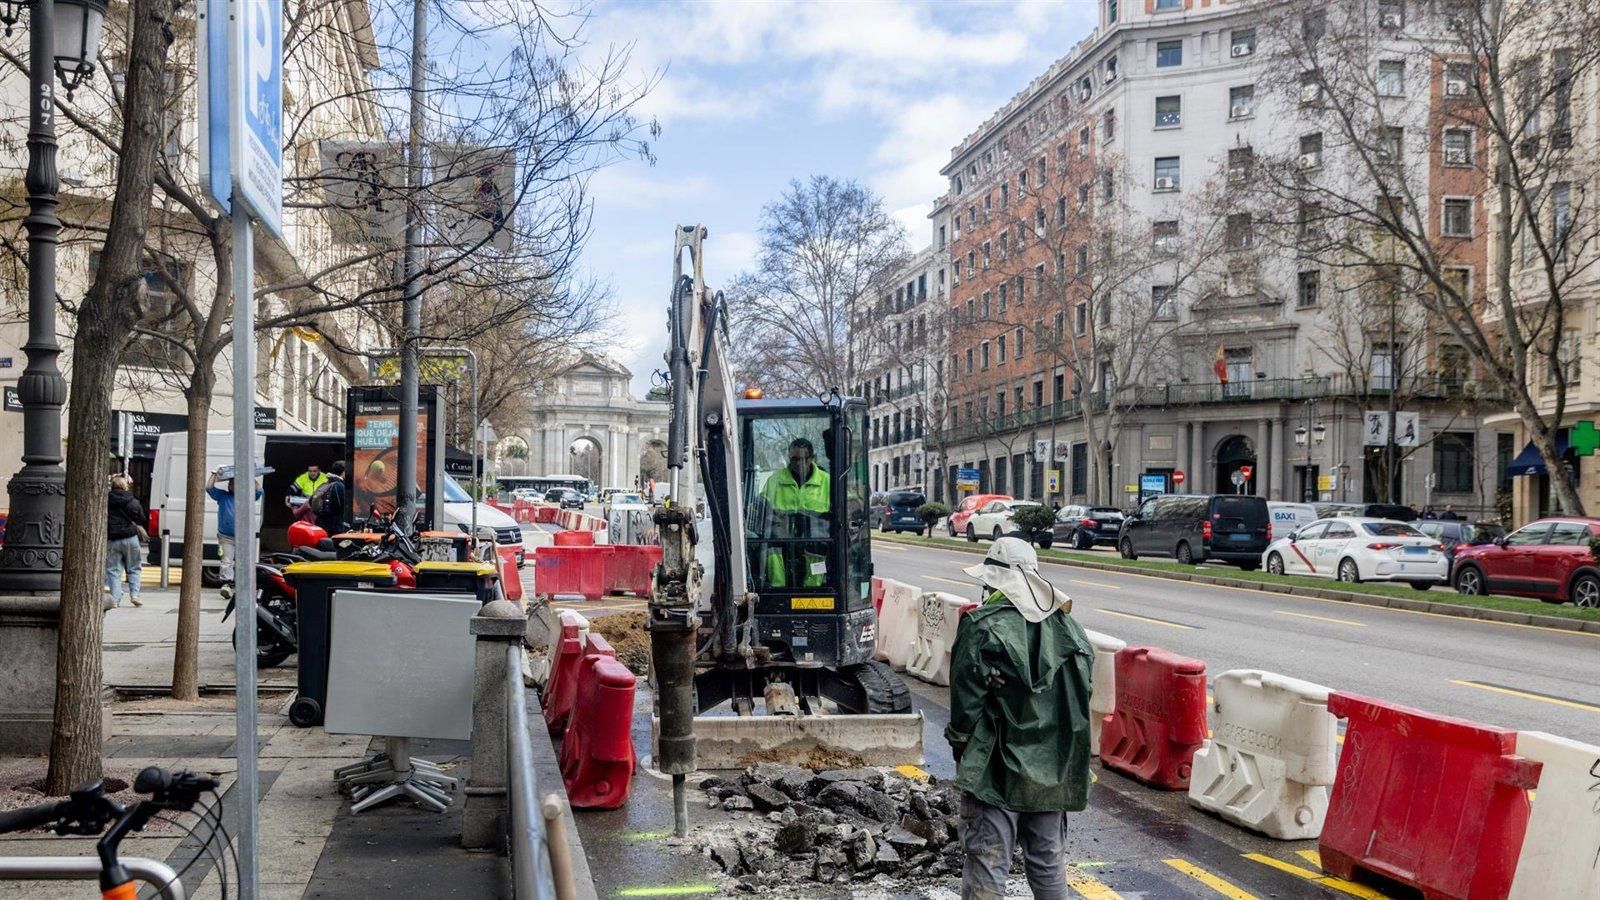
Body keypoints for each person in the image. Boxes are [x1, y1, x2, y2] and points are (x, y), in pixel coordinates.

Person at [947, 537, 1093, 900]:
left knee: (988, 865)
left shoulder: (982, 626)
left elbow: (965, 708)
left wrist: (961, 749)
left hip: (996, 771)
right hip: (1052, 773)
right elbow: (1081, 698)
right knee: (1048, 866)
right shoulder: (1071, 631)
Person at [759, 437, 831, 587]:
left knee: (818, 539)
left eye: (804, 459)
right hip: (783, 538)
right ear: (789, 457)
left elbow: (847, 508)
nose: (799, 463)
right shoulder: (775, 480)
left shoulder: (827, 481)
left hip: (815, 541)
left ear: (813, 458)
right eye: (794, 459)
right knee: (770, 541)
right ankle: (778, 587)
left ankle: (814, 586)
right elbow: (761, 508)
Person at [206, 469, 260, 585]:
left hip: (244, 536)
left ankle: (243, 584)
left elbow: (259, 490)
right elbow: (209, 488)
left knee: (244, 562)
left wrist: (252, 477)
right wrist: (214, 475)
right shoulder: (223, 496)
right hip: (226, 537)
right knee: (226, 561)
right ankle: (227, 584)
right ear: (229, 486)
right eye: (232, 484)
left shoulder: (247, 497)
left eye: (237, 483)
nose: (234, 486)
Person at [105, 475, 146, 608]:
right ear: (125, 486)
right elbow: (141, 518)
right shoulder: (132, 501)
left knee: (113, 570)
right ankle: (135, 595)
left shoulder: (105, 500)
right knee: (134, 567)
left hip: (113, 539)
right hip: (130, 538)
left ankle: (115, 600)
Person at [310, 460, 348, 535]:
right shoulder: (339, 486)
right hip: (335, 527)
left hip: (321, 524)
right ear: (343, 472)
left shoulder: (325, 484)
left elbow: (310, 500)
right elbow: (345, 507)